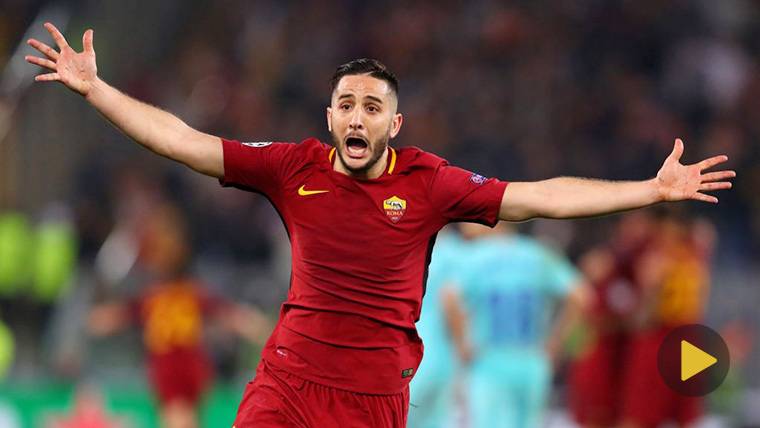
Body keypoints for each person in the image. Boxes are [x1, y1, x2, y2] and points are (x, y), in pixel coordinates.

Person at [25, 23, 735, 427]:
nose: (357, 116)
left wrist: (649, 189)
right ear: (330, 116)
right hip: (288, 379)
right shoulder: (292, 166)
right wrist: (97, 90)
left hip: (373, 398)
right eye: (346, 104)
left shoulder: (431, 182)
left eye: (372, 106)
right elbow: (182, 140)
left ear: (394, 123)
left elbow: (540, 198)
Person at [88, 203, 271, 428]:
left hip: (170, 365)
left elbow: (114, 316)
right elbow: (231, 315)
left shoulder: (158, 297)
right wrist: (254, 326)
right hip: (191, 364)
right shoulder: (184, 294)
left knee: (177, 419)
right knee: (188, 419)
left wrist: (100, 318)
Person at [441, 222, 587, 428]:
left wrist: (461, 343)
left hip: (489, 359)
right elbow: (580, 295)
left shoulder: (474, 256)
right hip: (532, 359)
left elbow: (449, 297)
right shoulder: (539, 254)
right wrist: (556, 342)